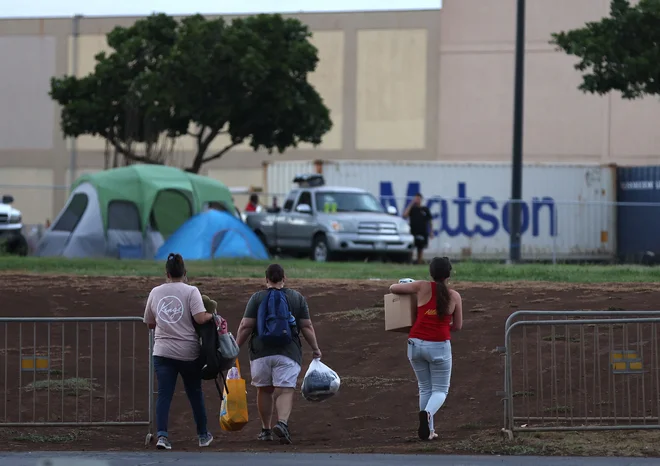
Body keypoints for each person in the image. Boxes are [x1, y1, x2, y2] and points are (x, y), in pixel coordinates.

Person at [235, 264, 322, 445]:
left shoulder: (257, 298)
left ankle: (266, 430)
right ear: (284, 278)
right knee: (285, 389)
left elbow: (245, 326)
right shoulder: (296, 298)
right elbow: (306, 326)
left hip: (261, 353)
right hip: (288, 352)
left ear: (266, 279)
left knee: (264, 389)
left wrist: (235, 347)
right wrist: (315, 348)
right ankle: (282, 423)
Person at [143, 253, 215, 451]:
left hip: (162, 351)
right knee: (195, 393)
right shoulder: (192, 291)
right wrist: (212, 315)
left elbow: (150, 322)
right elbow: (200, 318)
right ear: (184, 273)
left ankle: (163, 436)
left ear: (167, 273)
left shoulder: (155, 292)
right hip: (188, 352)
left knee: (164, 394)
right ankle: (202, 435)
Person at [388, 257, 463, 441]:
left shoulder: (421, 286)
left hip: (415, 343)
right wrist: (444, 326)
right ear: (449, 274)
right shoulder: (454, 296)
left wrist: (409, 283)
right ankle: (428, 415)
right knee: (440, 390)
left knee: (424, 388)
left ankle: (429, 430)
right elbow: (458, 326)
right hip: (439, 345)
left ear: (431, 273)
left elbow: (393, 288)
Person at [403, 193, 433, 264]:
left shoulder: (425, 209)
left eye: (418, 199)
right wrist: (411, 204)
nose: (417, 200)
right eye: (416, 198)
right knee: (411, 248)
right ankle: (409, 262)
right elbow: (404, 215)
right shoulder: (412, 209)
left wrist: (431, 232)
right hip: (413, 231)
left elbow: (430, 221)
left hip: (422, 232)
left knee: (420, 248)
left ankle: (419, 262)